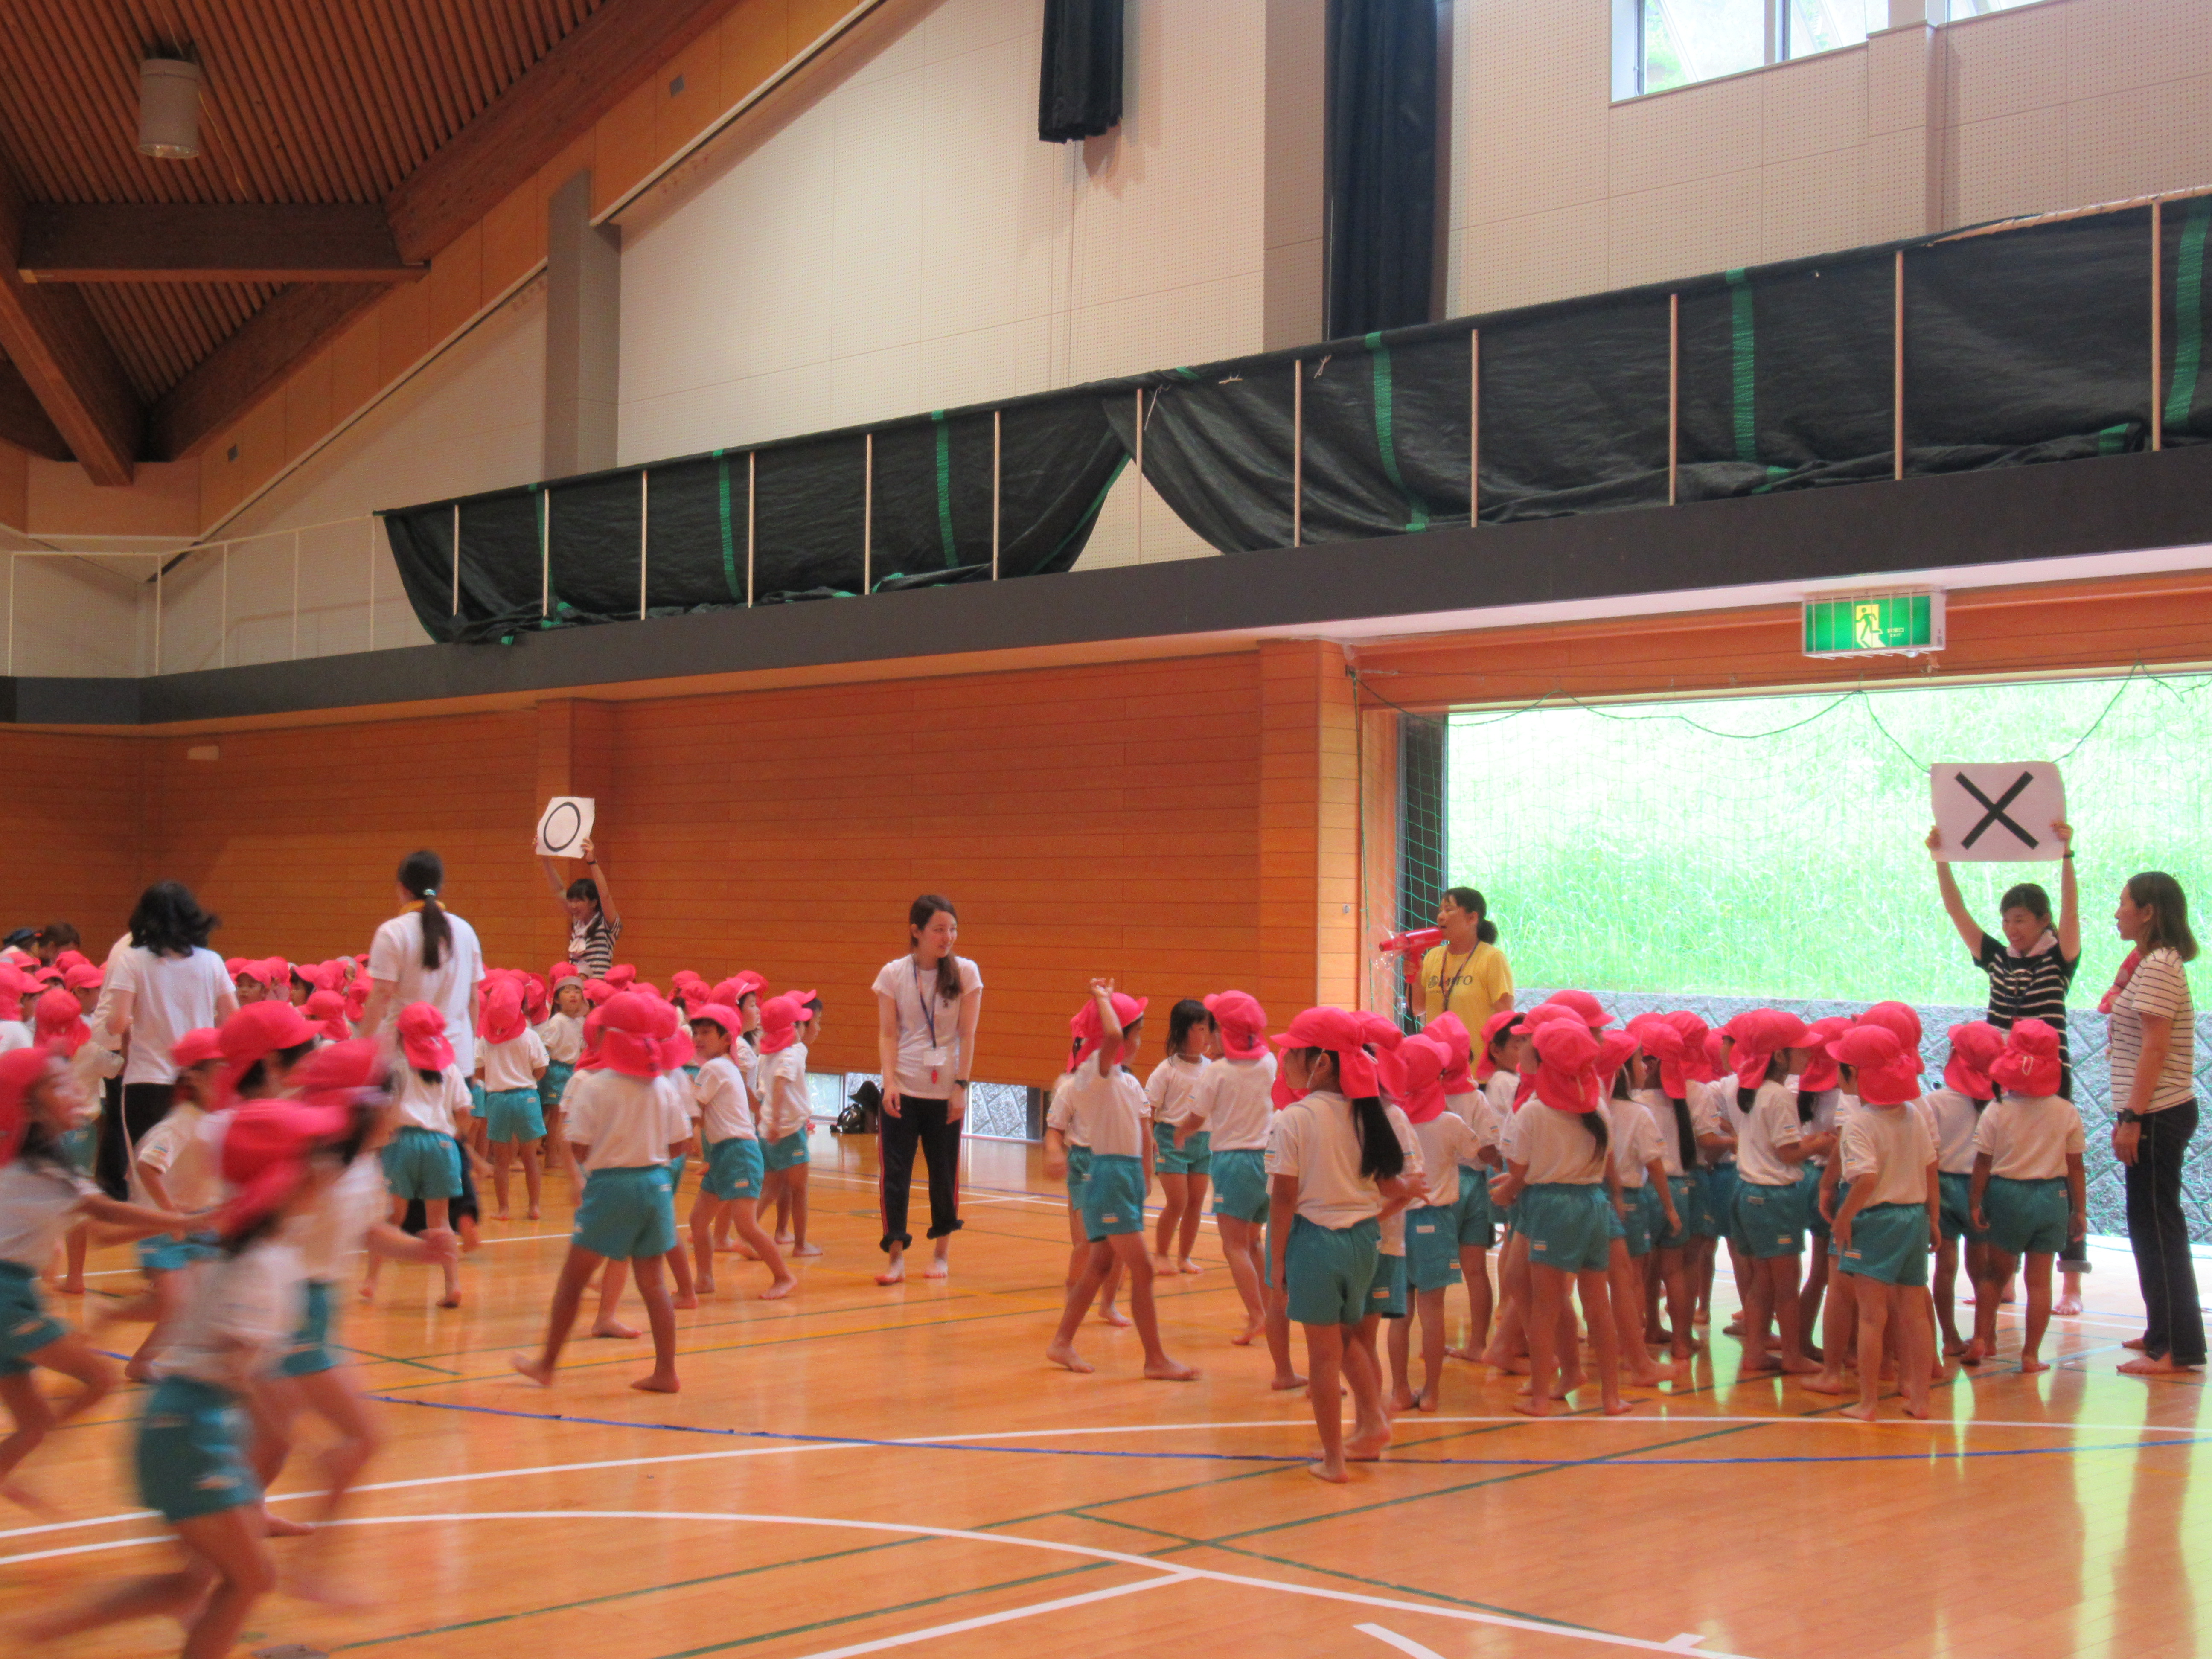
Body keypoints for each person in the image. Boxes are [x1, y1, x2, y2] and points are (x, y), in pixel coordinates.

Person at [28, 1096, 347, 1659]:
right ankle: (44, 1632)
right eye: (316, 1157)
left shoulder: (260, 1247)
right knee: (249, 1579)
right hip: (188, 1428)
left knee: (200, 1583)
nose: (330, 1168)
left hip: (187, 1425)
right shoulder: (260, 1263)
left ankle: (45, 1632)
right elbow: (240, 1368)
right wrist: (306, 1441)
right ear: (287, 1178)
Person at [0, 1047, 190, 1508]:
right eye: (57, 1085)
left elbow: (102, 1234)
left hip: (17, 1292)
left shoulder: (51, 1159)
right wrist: (189, 1220)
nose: (74, 1091)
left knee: (34, 1424)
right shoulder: (42, 1168)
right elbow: (104, 1212)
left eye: (70, 1080)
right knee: (100, 1379)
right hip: (5, 1295)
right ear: (28, 1106)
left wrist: (179, 1223)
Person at [1927, 818, 2087, 1310]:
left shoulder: (2060, 957)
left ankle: (2072, 1281)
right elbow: (1956, 911)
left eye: (2020, 920)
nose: (2011, 929)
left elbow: (2072, 909)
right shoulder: (1997, 958)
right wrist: (1941, 859)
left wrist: (2067, 855)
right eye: (2006, 921)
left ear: (2043, 921)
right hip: (2000, 1082)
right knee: (2002, 1170)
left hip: (2050, 1081)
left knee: (2057, 1173)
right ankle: (2007, 1273)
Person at [513, 992, 696, 1394]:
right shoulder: (663, 1087)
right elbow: (681, 1144)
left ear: (606, 1037)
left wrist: (608, 1155)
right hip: (657, 1185)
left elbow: (577, 1148)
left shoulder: (595, 1087)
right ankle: (666, 1372)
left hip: (612, 1187)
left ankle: (546, 1365)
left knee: (573, 1281)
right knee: (653, 1284)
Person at [1268, 1006, 1416, 1479]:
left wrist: (1276, 1262)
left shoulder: (1295, 1118)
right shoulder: (1369, 1115)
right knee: (1349, 1336)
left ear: (1323, 1062)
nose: (1285, 1058)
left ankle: (1334, 1459)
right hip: (1364, 1243)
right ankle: (1372, 1422)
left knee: (1323, 1358)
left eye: (1293, 1051)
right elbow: (1392, 1187)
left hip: (1317, 1243)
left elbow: (1284, 1199)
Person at [1045, 982, 1196, 1382]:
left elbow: (1141, 1131)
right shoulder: (1094, 1073)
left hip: (1122, 1177)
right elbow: (1111, 1036)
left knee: (1100, 1266)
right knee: (1143, 1270)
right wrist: (1102, 999)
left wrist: (1144, 1177)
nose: (1140, 1042)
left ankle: (1062, 1341)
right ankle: (1155, 1359)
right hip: (1108, 1177)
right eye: (1137, 1033)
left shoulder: (1124, 1081)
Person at [2103, 871, 2203, 1377]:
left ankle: (2173, 1349)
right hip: (2150, 1112)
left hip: (2158, 1114)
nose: (2117, 912)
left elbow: (2156, 1049)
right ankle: (2163, 1328)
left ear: (2148, 912)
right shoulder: (2150, 963)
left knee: (2159, 1228)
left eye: (2124, 903)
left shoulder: (2161, 965)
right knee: (2147, 1225)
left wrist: (2133, 1118)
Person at [1826, 1024, 1940, 1422]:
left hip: (1876, 1221)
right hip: (1914, 1217)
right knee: (1914, 1313)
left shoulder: (1859, 1123)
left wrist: (1843, 1219)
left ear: (1855, 1074)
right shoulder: (1913, 1115)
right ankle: (1920, 1400)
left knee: (1872, 1317)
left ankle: (1868, 1403)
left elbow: (1866, 1180)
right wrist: (1934, 1218)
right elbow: (1930, 1168)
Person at [98, 883, 238, 1202]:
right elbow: (233, 1020)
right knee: (197, 1176)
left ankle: (159, 1231)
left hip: (147, 1080)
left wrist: (139, 1022)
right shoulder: (212, 961)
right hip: (200, 1081)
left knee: (149, 1180)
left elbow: (115, 1022)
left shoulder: (132, 960)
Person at [870, 895, 983, 1286]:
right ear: (916, 932)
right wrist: (889, 1081)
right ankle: (896, 1259)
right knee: (895, 1175)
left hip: (946, 1092)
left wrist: (961, 1086)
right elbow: (888, 1034)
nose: (947, 937)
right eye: (938, 930)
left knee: (943, 1174)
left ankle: (941, 1255)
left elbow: (968, 1035)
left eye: (952, 929)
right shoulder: (893, 974)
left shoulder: (966, 973)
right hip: (904, 1087)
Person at [1968, 1019, 2086, 1374]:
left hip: (2007, 1195)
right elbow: (2076, 1167)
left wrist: (1975, 1202)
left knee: (1994, 1274)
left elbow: (1982, 1163)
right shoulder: (2066, 1111)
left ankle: (1982, 1339)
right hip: (2053, 1197)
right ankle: (2031, 1356)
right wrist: (2079, 1211)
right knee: (2040, 1283)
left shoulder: (1998, 1109)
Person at [1177, 991, 1279, 1364]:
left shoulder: (1216, 1072)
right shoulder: (1269, 1062)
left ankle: (1257, 1315)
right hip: (1268, 1160)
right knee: (1253, 1241)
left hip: (1234, 1162)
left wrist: (1180, 1132)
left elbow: (1197, 1117)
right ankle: (1270, 1311)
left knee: (1233, 1245)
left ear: (1223, 1034)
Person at [685, 1003, 792, 1300]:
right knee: (698, 1221)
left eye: (706, 1033)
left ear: (725, 1039)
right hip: (724, 1153)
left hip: (739, 1153)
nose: (698, 1038)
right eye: (696, 1033)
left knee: (746, 1225)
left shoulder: (715, 1068)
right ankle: (704, 1279)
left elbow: (695, 1109)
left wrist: (687, 1135)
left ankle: (784, 1276)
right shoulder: (723, 1067)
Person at [1147, 1000, 1213, 1275]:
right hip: (1171, 1140)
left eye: (1208, 1029)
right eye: (1200, 1029)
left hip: (1204, 1142)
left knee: (1196, 1204)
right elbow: (1149, 1108)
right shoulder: (1167, 1070)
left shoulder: (1212, 1068)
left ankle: (1184, 1257)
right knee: (1178, 1202)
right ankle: (1161, 1254)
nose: (1207, 1035)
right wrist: (1149, 1138)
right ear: (1183, 1031)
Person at [1416, 888, 1514, 1030]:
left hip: (1477, 1045)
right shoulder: (1432, 956)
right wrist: (1415, 972)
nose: (1441, 917)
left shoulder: (1493, 958)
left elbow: (1506, 1017)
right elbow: (1417, 1009)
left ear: (1472, 918)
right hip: (1438, 1045)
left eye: (1449, 910)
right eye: (1440, 910)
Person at [541, 837, 622, 979]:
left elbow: (605, 896)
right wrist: (545, 859)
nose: (573, 906)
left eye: (578, 901)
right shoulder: (578, 923)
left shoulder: (606, 924)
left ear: (593, 902)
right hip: (577, 988)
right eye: (571, 901)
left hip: (599, 990)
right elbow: (558, 890)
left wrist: (592, 862)